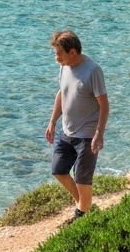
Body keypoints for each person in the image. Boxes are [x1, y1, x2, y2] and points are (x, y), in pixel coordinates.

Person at [44, 29, 109, 223]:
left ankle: (81, 217)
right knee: (58, 170)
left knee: (82, 180)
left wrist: (99, 133)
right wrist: (52, 121)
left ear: (72, 52)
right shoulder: (64, 66)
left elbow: (104, 105)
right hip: (66, 131)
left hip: (87, 135)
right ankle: (85, 207)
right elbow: (62, 94)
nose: (56, 58)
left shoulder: (93, 70)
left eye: (59, 53)